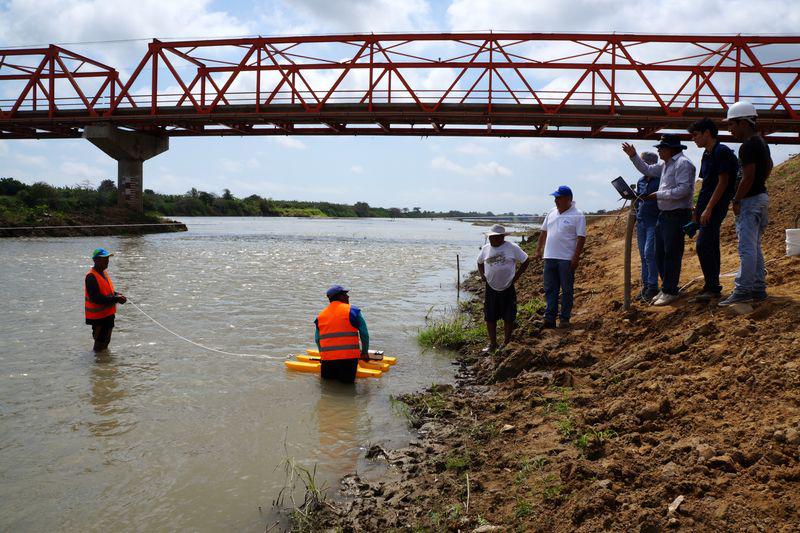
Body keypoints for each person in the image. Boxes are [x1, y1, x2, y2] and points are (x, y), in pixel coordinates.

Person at [622, 134, 696, 306]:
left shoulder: (683, 164)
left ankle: (671, 290)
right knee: (659, 253)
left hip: (677, 214)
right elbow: (647, 169)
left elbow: (684, 190)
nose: (659, 150)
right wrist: (633, 156)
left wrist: (659, 195)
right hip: (664, 214)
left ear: (670, 149)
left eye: (661, 148)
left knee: (672, 254)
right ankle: (666, 287)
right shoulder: (665, 165)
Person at [719, 101, 773, 306]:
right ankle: (758, 288)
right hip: (760, 198)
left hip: (750, 202)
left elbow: (748, 176)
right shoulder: (761, 142)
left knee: (746, 249)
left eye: (731, 124)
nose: (729, 129)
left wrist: (737, 199)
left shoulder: (747, 146)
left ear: (743, 123)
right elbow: (768, 166)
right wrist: (760, 185)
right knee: (755, 246)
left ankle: (743, 290)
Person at [687, 117, 739, 302]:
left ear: (707, 133)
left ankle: (712, 286)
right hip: (706, 207)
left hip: (715, 206)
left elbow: (723, 182)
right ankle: (712, 285)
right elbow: (706, 184)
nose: (694, 139)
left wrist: (708, 208)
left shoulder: (721, 151)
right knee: (709, 245)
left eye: (695, 135)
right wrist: (696, 210)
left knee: (703, 245)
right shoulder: (707, 154)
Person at [535, 186, 586, 328]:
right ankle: (549, 318)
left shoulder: (578, 214)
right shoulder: (551, 212)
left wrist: (576, 258)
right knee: (550, 289)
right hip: (549, 257)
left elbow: (581, 238)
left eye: (559, 198)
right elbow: (543, 232)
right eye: (555, 198)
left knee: (567, 290)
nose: (556, 200)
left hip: (566, 259)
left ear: (568, 199)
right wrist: (538, 249)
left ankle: (564, 319)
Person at [477, 224, 530, 351]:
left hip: (507, 286)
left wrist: (516, 277)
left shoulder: (512, 248)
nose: (492, 239)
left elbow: (526, 260)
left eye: (495, 237)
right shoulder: (485, 249)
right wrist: (483, 276)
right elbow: (479, 262)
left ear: (502, 237)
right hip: (491, 286)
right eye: (490, 237)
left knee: (509, 315)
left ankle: (506, 342)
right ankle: (492, 344)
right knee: (490, 316)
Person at [314, 285, 369, 384]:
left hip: (327, 359)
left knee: (328, 387)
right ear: (340, 297)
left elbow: (317, 339)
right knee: (347, 388)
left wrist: (322, 355)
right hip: (348, 359)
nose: (348, 297)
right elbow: (364, 334)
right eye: (345, 294)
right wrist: (364, 352)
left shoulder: (321, 316)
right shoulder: (353, 311)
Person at [85, 248, 126, 352]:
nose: (107, 261)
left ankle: (103, 364)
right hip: (99, 317)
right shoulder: (91, 277)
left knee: (106, 342)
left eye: (107, 258)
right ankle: (97, 364)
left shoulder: (103, 273)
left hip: (108, 315)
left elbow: (107, 291)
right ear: (96, 260)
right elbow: (96, 298)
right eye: (104, 259)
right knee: (99, 344)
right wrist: (116, 299)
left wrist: (117, 295)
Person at [634, 151, 661, 302]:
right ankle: (646, 285)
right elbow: (639, 199)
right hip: (642, 221)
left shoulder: (660, 180)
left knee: (650, 253)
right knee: (643, 256)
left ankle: (653, 285)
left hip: (654, 221)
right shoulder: (641, 180)